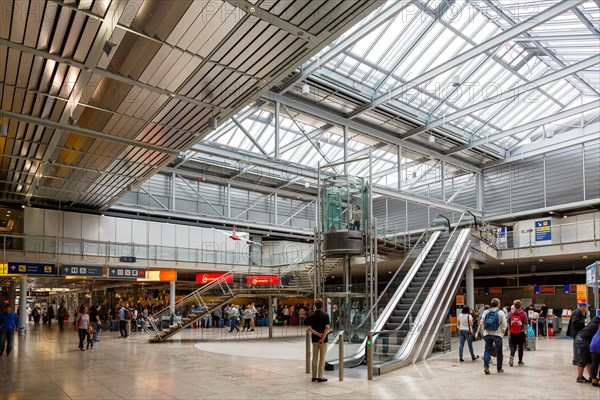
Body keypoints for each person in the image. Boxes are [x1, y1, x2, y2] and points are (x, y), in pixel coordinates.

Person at [305, 299, 330, 383]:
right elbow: (327, 328)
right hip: (324, 340)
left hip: (314, 340)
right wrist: (322, 338)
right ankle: (320, 376)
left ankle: (314, 376)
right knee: (322, 358)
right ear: (322, 305)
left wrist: (318, 334)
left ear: (315, 305)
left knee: (314, 357)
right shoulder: (325, 315)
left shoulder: (311, 315)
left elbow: (309, 328)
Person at [480, 298, 507, 374]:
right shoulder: (500, 312)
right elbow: (504, 324)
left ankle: (486, 366)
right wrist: (503, 330)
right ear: (499, 304)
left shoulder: (486, 312)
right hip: (497, 334)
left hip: (487, 333)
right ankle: (499, 368)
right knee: (499, 351)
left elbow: (481, 322)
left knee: (487, 350)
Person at [575, 316, 600, 383]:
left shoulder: (591, 323)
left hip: (579, 338)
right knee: (583, 359)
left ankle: (592, 377)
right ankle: (579, 377)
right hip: (584, 340)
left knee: (588, 359)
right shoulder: (597, 326)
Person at [507, 299, 528, 367]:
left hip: (513, 332)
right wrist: (526, 333)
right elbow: (526, 324)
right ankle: (520, 361)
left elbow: (508, 322)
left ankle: (511, 356)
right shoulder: (523, 313)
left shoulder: (511, 313)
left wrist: (509, 331)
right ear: (520, 305)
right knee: (521, 347)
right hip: (521, 332)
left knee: (513, 345)